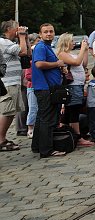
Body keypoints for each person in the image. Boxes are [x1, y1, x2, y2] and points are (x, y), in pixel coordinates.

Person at [31, 23, 67, 158]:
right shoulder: (41, 47)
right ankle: (47, 150)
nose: (49, 34)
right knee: (48, 119)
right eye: (45, 32)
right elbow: (39, 64)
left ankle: (37, 146)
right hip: (44, 88)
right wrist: (57, 64)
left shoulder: (47, 47)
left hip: (46, 87)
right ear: (40, 34)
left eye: (51, 31)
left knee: (41, 118)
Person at [55, 33, 93, 147]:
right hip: (73, 86)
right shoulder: (62, 54)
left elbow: (83, 63)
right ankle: (77, 136)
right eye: (71, 41)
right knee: (74, 110)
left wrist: (85, 50)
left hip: (79, 85)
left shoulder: (72, 54)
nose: (73, 43)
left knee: (74, 109)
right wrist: (82, 49)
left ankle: (71, 133)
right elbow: (76, 63)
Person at [0, 20, 29, 151]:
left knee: (12, 112)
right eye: (17, 28)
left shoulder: (11, 43)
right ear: (8, 29)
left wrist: (26, 38)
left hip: (14, 82)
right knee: (7, 111)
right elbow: (22, 52)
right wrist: (22, 37)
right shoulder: (3, 42)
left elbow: (27, 53)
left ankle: (3, 137)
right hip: (8, 82)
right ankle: (0, 140)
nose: (19, 30)